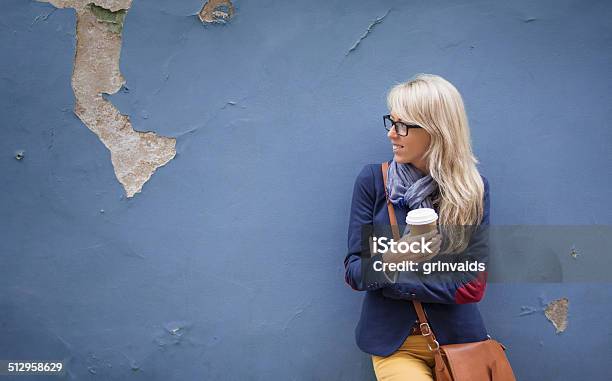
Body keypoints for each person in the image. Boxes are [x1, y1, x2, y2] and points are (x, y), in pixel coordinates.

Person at [343, 74, 491, 381]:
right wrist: (395, 258)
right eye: (391, 122)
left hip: (460, 343)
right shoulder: (373, 182)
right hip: (394, 346)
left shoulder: (472, 190)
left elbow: (470, 285)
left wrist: (392, 280)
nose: (391, 135)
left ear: (436, 130)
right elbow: (355, 272)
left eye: (403, 126)